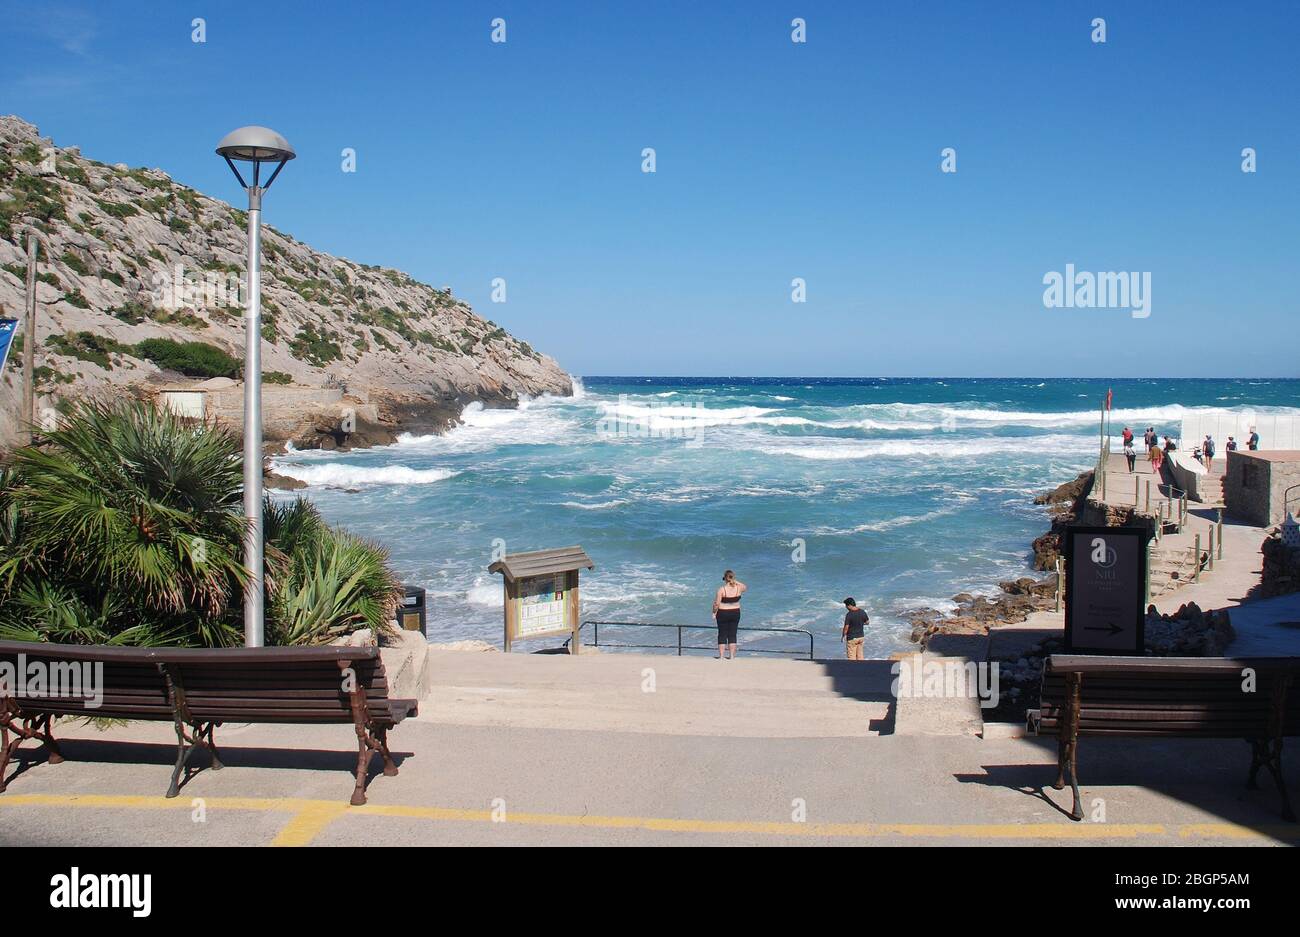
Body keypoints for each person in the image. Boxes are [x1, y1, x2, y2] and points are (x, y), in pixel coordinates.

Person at [712, 570, 746, 659]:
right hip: (735, 612)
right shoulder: (739, 588)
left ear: (725, 579)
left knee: (722, 633)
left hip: (723, 612)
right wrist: (735, 580)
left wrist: (714, 612)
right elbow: (745, 587)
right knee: (732, 634)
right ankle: (731, 656)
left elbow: (716, 604)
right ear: (733, 577)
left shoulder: (721, 589)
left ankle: (722, 656)